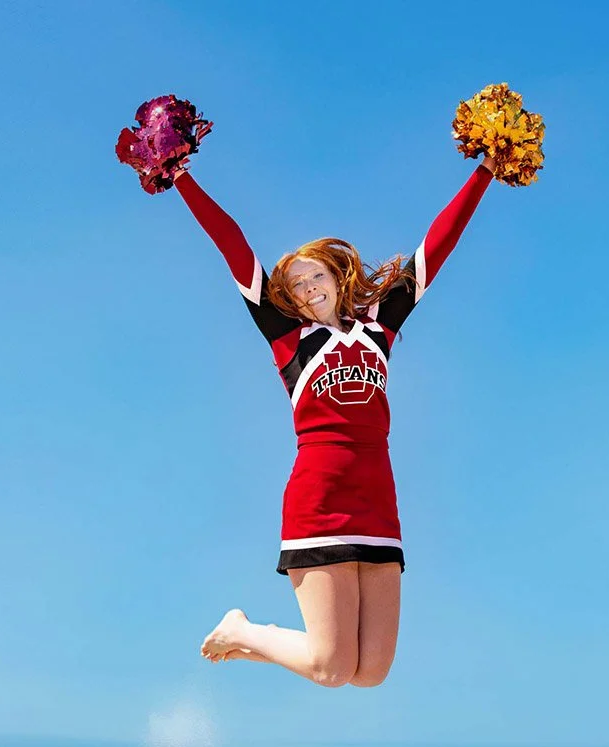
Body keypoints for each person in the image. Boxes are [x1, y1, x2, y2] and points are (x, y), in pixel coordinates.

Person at [172, 153, 496, 687]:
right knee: (330, 668)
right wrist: (181, 177)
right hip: (319, 500)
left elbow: (437, 247)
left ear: (336, 274)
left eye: (315, 276)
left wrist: (484, 170)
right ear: (285, 297)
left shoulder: (379, 328)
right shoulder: (287, 339)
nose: (308, 289)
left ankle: (264, 644)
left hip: (378, 501)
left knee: (369, 673)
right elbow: (231, 243)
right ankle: (244, 630)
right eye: (296, 285)